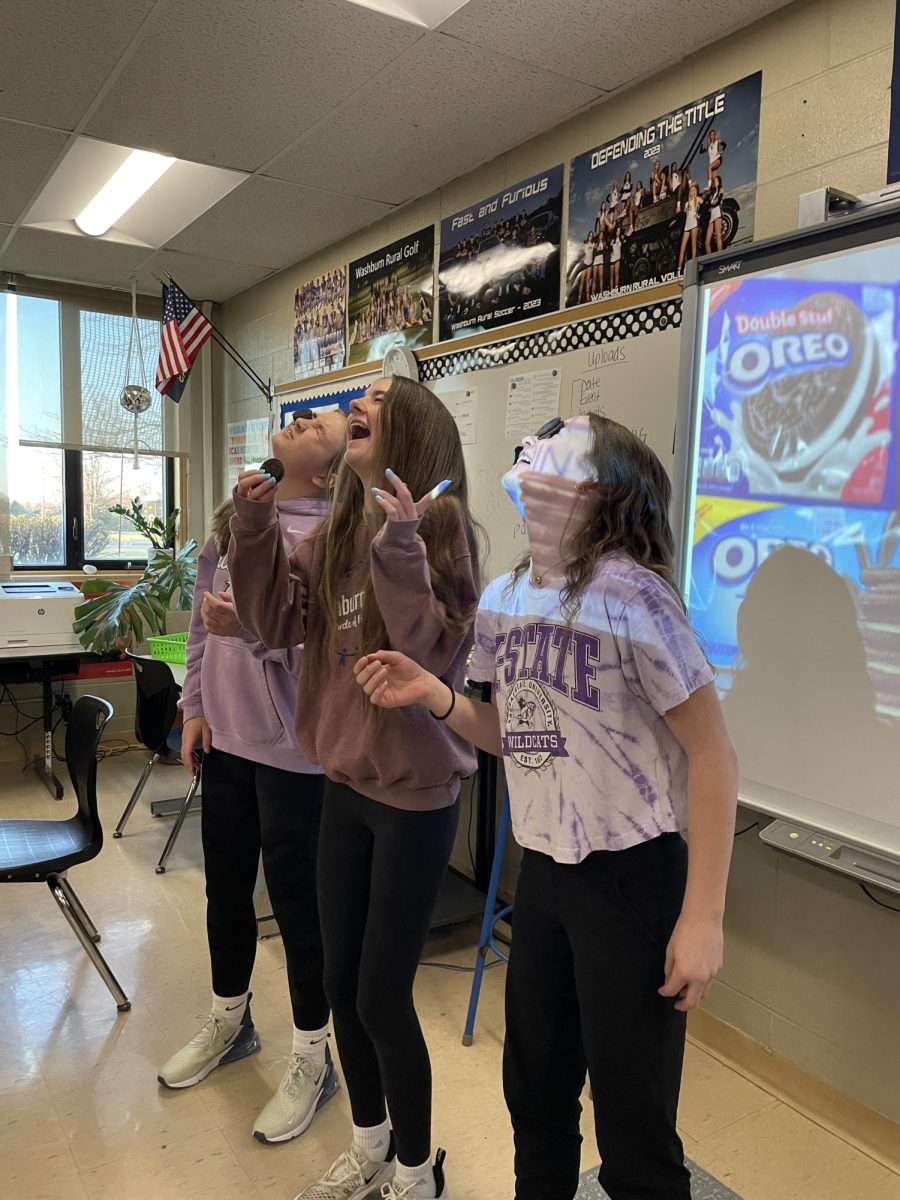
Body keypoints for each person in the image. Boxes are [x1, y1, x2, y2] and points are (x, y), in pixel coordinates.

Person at [354, 413, 738, 1200]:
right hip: (546, 879)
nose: (531, 458)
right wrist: (435, 697)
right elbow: (512, 733)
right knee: (535, 1097)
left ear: (599, 492)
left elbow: (714, 754)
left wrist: (702, 918)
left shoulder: (636, 600)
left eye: (555, 451)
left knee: (634, 1126)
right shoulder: (505, 598)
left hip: (633, 880)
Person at [228, 376, 482, 1200]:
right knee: (341, 982)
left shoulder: (442, 530)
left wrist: (402, 544)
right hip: (344, 784)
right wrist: (256, 522)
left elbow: (430, 656)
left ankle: (419, 1169)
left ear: (413, 431)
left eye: (379, 397)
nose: (358, 405)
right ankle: (369, 1143)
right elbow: (273, 624)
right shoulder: (336, 528)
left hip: (414, 800)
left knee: (380, 993)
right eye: (358, 396)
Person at [157, 409, 349, 1148]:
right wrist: (197, 704)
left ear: (329, 470)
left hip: (298, 753)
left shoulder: (336, 533)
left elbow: (331, 647)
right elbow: (204, 625)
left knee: (301, 909)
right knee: (225, 890)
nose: (300, 417)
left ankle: (313, 1057)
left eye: (319, 424)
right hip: (229, 741)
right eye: (299, 413)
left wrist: (258, 631)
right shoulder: (239, 514)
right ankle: (230, 1021)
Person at [678, 183, 701, 271]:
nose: (693, 192)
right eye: (691, 191)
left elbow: (705, 207)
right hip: (687, 226)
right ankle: (679, 269)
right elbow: (683, 217)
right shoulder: (687, 203)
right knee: (682, 248)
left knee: (693, 246)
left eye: (694, 190)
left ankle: (693, 267)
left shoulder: (698, 199)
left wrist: (699, 215)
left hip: (694, 225)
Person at [706, 174, 725, 253]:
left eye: (717, 181)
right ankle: (709, 259)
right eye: (714, 181)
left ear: (719, 181)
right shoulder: (712, 193)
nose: (715, 182)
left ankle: (720, 256)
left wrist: (712, 206)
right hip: (712, 215)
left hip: (717, 213)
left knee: (718, 236)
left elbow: (719, 200)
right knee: (707, 241)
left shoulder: (721, 189)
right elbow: (708, 203)